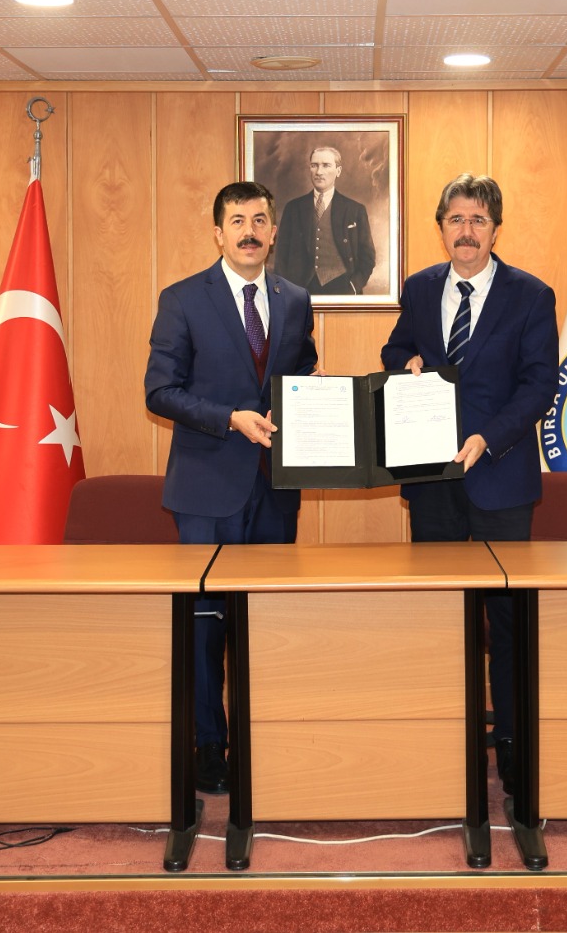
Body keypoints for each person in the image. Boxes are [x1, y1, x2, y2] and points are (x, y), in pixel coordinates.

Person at [379, 173, 558, 793]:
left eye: (478, 220)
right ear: (441, 228)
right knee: (441, 617)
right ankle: (446, 741)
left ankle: (510, 744)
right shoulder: (420, 287)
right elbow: (394, 350)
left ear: (495, 230)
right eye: (456, 219)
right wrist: (403, 363)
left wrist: (489, 438)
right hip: (432, 483)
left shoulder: (531, 295)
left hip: (501, 481)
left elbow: (539, 384)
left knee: (507, 622)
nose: (466, 230)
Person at [145, 180, 319, 795]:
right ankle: (209, 745)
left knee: (263, 621)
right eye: (238, 220)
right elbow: (159, 391)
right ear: (218, 233)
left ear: (273, 231)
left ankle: (258, 737)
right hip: (206, 490)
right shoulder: (182, 299)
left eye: (260, 220)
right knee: (206, 626)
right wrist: (229, 419)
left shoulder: (295, 298)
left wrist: (317, 396)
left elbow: (301, 369)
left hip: (275, 488)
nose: (250, 231)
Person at [272, 146, 377, 296]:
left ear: (338, 171)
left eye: (326, 165)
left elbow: (368, 257)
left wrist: (354, 286)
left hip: (343, 289)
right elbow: (281, 257)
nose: (319, 172)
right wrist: (286, 291)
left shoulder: (355, 210)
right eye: (314, 165)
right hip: (300, 291)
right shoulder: (293, 208)